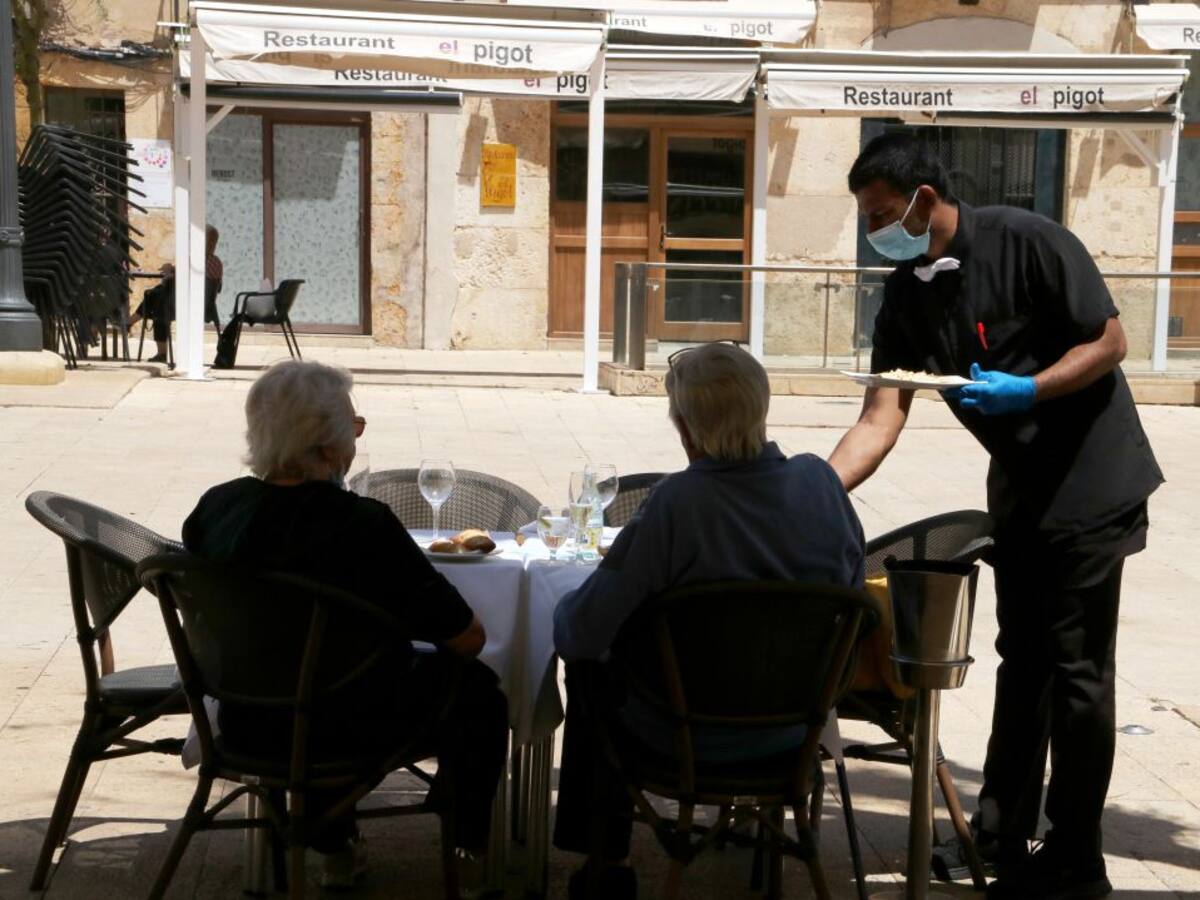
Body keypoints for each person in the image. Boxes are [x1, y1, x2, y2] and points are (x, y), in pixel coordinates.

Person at [828, 133, 1163, 900]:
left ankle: (1077, 857)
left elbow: (1110, 341)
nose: (876, 231)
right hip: (1019, 490)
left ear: (924, 199)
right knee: (1022, 663)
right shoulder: (907, 292)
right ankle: (1001, 832)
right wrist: (811, 487)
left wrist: (1031, 389)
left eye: (881, 213)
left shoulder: (1031, 241)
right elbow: (881, 414)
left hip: (1091, 482)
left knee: (1078, 673)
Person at [551, 342, 866, 900]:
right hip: (794, 733)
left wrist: (560, 607)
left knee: (589, 667)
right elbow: (850, 596)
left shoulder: (677, 502)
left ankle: (607, 866)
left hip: (684, 736)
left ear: (685, 429)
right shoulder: (820, 484)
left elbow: (583, 632)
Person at [182, 360, 508, 889]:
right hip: (350, 727)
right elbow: (466, 638)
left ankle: (335, 844)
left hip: (245, 718)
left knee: (315, 674)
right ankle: (466, 847)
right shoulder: (362, 524)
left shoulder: (217, 508)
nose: (356, 440)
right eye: (353, 427)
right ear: (329, 446)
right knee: (479, 691)